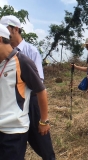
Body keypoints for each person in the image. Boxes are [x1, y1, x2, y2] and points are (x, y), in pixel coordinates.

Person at [0, 15, 55, 159]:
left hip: (31, 102)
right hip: (10, 109)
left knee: (42, 143)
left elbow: (38, 84)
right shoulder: (3, 55)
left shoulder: (30, 52)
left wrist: (44, 120)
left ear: (15, 29)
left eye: (6, 28)